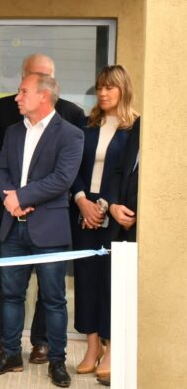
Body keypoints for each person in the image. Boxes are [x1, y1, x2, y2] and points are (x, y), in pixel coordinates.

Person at [0, 72, 83, 388]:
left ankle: (57, 361)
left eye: (23, 91)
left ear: (44, 95)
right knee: (10, 295)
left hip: (49, 231)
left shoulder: (70, 134)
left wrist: (21, 197)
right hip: (13, 227)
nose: (17, 97)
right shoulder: (14, 131)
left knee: (53, 299)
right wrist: (10, 199)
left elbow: (62, 179)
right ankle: (11, 354)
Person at [70, 66, 137, 385]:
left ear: (123, 89)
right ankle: (92, 346)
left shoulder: (134, 127)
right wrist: (82, 200)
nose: (103, 93)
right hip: (84, 208)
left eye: (110, 87)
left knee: (110, 281)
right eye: (99, 87)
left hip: (115, 211)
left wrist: (106, 205)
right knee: (86, 279)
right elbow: (72, 168)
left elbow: (127, 174)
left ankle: (111, 350)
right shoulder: (87, 125)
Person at [98, 113, 140, 387]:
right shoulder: (140, 125)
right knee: (116, 291)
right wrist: (112, 205)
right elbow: (118, 170)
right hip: (121, 225)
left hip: (149, 229)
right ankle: (114, 356)